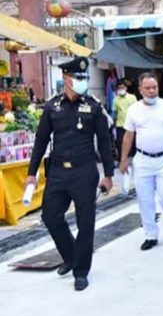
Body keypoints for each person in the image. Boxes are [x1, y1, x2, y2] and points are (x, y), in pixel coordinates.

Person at [25, 57, 114, 291]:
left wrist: (108, 174)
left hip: (84, 172)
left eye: (84, 77)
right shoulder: (52, 106)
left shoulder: (93, 107)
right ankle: (71, 255)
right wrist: (31, 172)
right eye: (78, 77)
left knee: (85, 223)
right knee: (50, 216)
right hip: (57, 171)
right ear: (66, 79)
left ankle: (81, 271)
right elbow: (41, 140)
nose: (82, 81)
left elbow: (104, 142)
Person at [119, 73, 163, 251]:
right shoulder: (134, 110)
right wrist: (123, 159)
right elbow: (128, 136)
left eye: (154, 87)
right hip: (143, 160)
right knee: (145, 200)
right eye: (148, 88)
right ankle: (151, 235)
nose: (152, 91)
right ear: (140, 90)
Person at [112, 79, 137, 163]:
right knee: (120, 143)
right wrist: (114, 125)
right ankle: (121, 160)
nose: (121, 89)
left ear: (126, 88)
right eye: (119, 88)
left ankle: (134, 159)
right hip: (120, 125)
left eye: (122, 87)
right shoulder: (115, 100)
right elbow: (115, 112)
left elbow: (136, 110)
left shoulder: (132, 97)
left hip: (132, 125)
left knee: (133, 142)